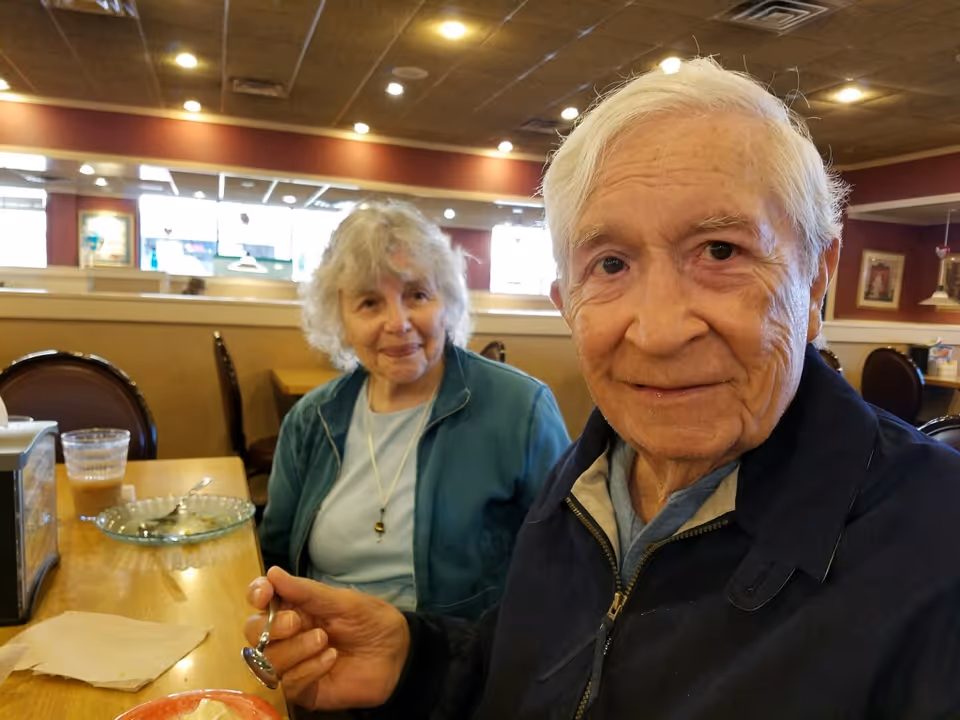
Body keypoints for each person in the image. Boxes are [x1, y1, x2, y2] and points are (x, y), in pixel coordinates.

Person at [245, 60, 960, 718]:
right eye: (611, 263)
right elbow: (535, 671)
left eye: (720, 251)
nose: (655, 331)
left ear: (816, 280)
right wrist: (418, 659)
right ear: (567, 301)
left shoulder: (938, 542)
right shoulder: (588, 472)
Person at [258, 201, 570, 622]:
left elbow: (567, 559)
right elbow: (275, 555)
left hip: (456, 664)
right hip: (323, 652)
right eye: (370, 303)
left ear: (447, 302)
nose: (399, 322)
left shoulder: (521, 409)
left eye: (417, 294)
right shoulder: (311, 420)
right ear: (342, 320)